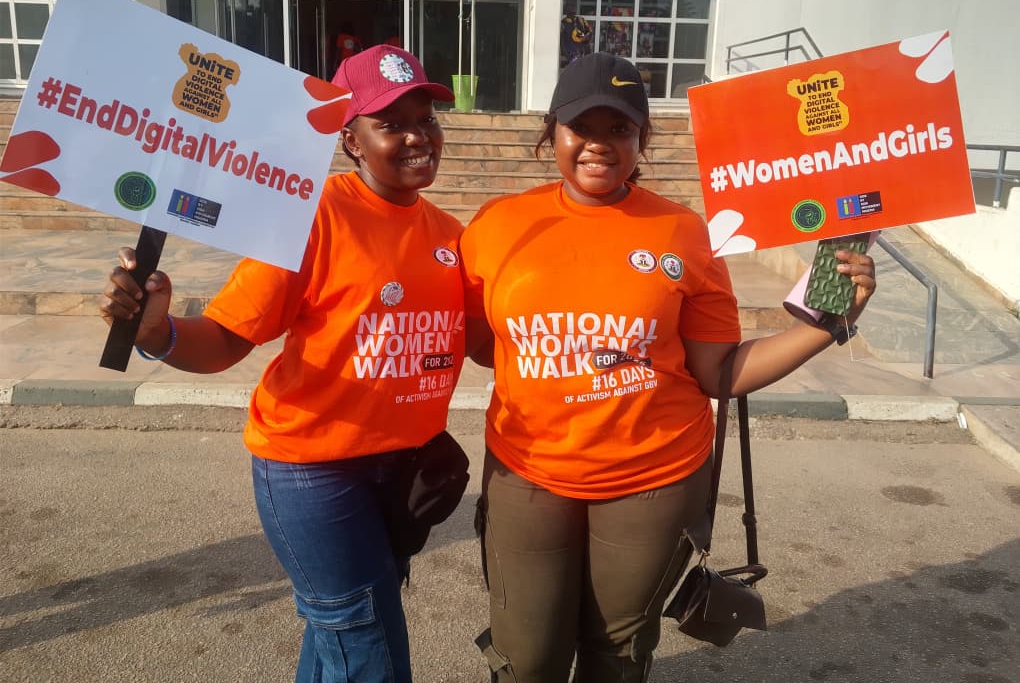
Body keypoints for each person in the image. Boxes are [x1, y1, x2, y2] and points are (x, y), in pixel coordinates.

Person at [458, 52, 877, 682]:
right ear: (553, 133)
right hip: (528, 472)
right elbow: (478, 343)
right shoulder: (498, 225)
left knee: (618, 654)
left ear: (642, 138)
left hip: (651, 479)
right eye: (581, 127)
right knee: (528, 659)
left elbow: (720, 374)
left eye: (619, 128)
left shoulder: (685, 233)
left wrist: (825, 323)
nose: (599, 144)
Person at [100, 44, 461, 683]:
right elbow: (226, 339)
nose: (416, 136)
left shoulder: (452, 235)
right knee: (368, 648)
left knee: (338, 638)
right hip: (314, 472)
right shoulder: (311, 218)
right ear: (350, 141)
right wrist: (155, 331)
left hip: (402, 471)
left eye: (425, 119)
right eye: (390, 123)